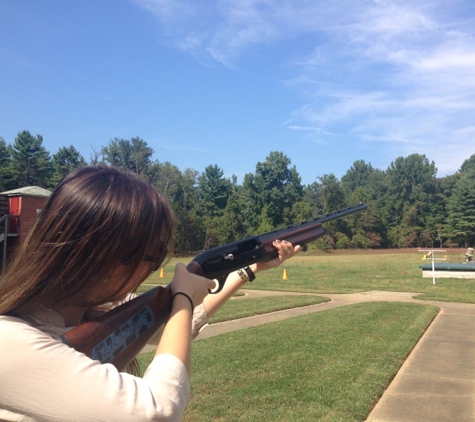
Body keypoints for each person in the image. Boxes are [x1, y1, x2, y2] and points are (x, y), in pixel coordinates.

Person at [0, 165, 299, 422]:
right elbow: (157, 411)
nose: (150, 267)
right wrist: (181, 298)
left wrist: (249, 270)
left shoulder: (96, 311)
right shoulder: (9, 341)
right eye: (148, 255)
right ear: (91, 252)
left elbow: (184, 325)